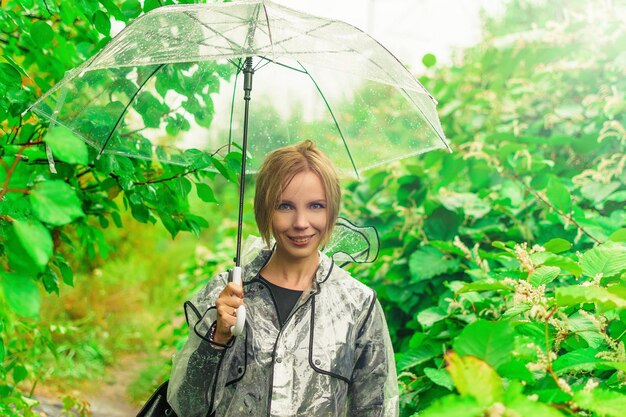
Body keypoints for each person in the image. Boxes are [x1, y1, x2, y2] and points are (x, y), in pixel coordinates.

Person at [167, 140, 398, 417]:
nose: (301, 222)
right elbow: (187, 405)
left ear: (332, 210)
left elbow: (374, 408)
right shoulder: (227, 295)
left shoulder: (358, 305)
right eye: (285, 206)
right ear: (265, 210)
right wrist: (217, 338)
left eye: (316, 206)